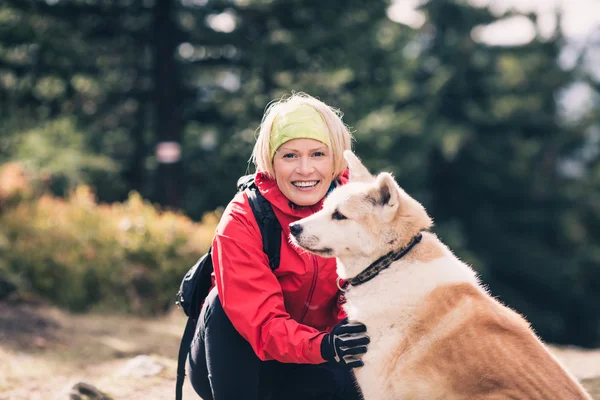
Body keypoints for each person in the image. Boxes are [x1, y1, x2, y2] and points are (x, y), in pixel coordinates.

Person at [186, 92, 369, 400]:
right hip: (244, 369)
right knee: (221, 305)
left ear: (337, 157)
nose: (305, 170)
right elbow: (259, 321)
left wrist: (338, 341)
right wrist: (323, 345)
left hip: (320, 362)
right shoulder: (244, 217)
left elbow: (365, 298)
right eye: (290, 156)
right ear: (270, 161)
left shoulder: (360, 209)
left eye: (318, 154)